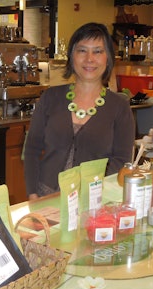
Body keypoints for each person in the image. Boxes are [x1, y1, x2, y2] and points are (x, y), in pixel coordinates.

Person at [24, 22, 135, 200]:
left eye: (98, 51)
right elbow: (32, 149)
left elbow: (121, 160)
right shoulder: (50, 98)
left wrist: (92, 191)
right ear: (71, 56)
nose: (89, 59)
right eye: (82, 50)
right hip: (46, 196)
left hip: (93, 200)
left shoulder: (119, 108)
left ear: (108, 58)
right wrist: (32, 193)